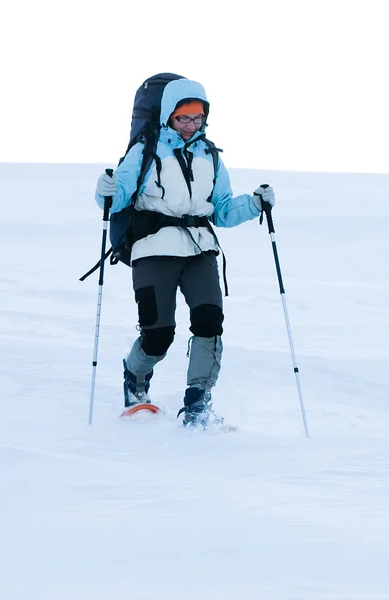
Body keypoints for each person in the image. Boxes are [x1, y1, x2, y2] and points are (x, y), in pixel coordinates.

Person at [94, 77, 276, 427]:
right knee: (159, 332)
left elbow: (221, 210)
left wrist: (254, 204)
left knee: (209, 321)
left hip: (199, 249)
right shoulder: (145, 150)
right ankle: (135, 375)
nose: (192, 125)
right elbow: (117, 198)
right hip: (153, 248)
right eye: (184, 118)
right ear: (168, 117)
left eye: (198, 118)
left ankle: (197, 400)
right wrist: (105, 191)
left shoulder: (210, 155)